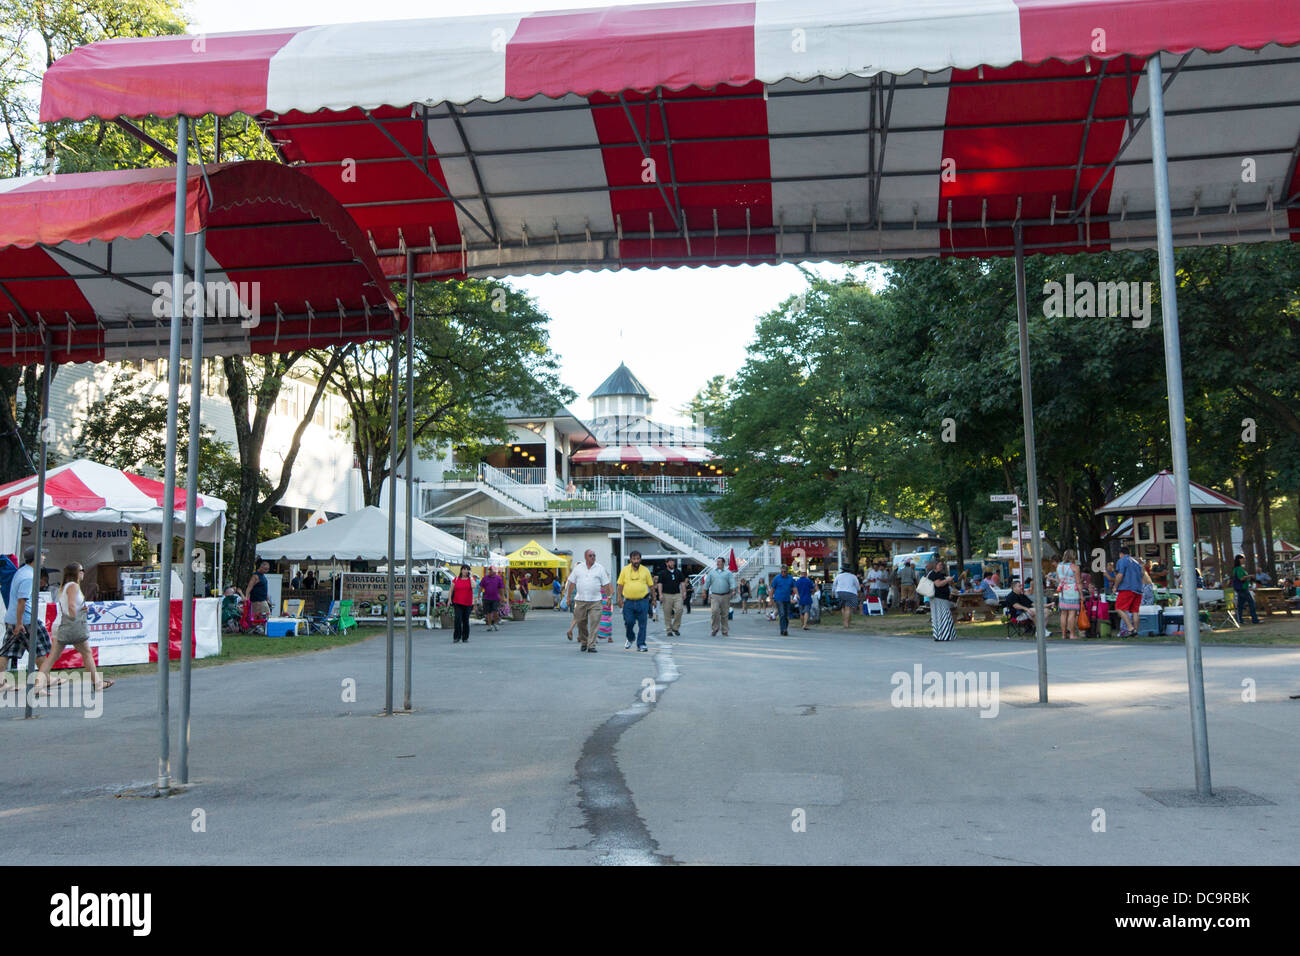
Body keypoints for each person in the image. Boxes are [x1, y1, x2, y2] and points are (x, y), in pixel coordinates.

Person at [33, 562, 112, 692]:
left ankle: (38, 685)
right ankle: (97, 683)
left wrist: (80, 609)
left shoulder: (65, 586)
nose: (83, 573)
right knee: (86, 653)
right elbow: (71, 605)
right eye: (82, 570)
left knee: (55, 657)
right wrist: (75, 616)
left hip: (62, 625)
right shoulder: (73, 586)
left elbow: (70, 604)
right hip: (69, 625)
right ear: (76, 572)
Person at [1, 547, 52, 686]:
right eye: (42, 554)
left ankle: (1, 683)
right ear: (36, 557)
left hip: (13, 618)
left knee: (6, 652)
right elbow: (22, 601)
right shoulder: (29, 576)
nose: (44, 557)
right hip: (25, 620)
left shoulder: (22, 571)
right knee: (39, 650)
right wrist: (19, 623)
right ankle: (44, 680)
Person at [564, 550, 611, 652]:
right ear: (585, 557)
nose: (593, 557)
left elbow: (606, 584)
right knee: (581, 622)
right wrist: (568, 597)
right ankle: (584, 641)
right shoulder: (578, 568)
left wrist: (609, 597)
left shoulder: (600, 568)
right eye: (590, 555)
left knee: (595, 622)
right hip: (580, 600)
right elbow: (572, 583)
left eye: (594, 555)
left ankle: (591, 645)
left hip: (596, 601)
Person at [617, 550, 654, 652]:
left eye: (638, 559)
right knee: (629, 622)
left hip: (643, 601)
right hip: (628, 602)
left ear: (640, 559)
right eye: (634, 559)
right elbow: (620, 585)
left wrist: (654, 599)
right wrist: (619, 598)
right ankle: (630, 637)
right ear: (630, 560)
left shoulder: (645, 570)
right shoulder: (625, 570)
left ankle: (641, 644)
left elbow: (651, 586)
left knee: (642, 624)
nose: (636, 561)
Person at [702, 556, 736, 637]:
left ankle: (724, 630)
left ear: (723, 563)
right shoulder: (712, 573)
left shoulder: (728, 573)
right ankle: (715, 628)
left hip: (725, 595)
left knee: (725, 614)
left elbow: (732, 582)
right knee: (714, 611)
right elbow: (707, 583)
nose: (718, 563)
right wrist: (704, 592)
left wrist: (733, 589)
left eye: (719, 561)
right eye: (717, 561)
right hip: (715, 595)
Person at [1114, 547, 1143, 638]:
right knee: (1135, 611)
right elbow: (1141, 574)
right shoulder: (1136, 562)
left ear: (1121, 554)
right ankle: (1136, 632)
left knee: (1119, 608)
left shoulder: (1122, 560)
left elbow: (1120, 575)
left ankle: (1130, 628)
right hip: (1138, 589)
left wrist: (1115, 586)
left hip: (1127, 588)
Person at [1054, 549, 1083, 640]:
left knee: (1063, 613)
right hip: (1072, 590)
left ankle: (1063, 634)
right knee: (1072, 613)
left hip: (1062, 590)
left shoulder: (1058, 566)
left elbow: (1058, 580)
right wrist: (1081, 594)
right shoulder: (1075, 567)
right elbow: (1078, 582)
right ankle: (1072, 634)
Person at [656, 557, 686, 637]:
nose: (672, 563)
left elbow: (682, 583)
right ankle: (668, 629)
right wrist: (660, 594)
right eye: (670, 562)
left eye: (673, 562)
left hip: (677, 594)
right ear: (667, 563)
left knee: (679, 610)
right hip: (666, 595)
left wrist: (684, 592)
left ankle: (675, 627)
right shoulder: (662, 573)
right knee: (667, 613)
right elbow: (659, 584)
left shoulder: (678, 572)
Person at [928, 559, 955, 642]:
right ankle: (942, 635)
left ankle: (943, 635)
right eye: (939, 565)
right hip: (939, 598)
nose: (941, 566)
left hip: (941, 598)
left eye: (942, 565)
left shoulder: (938, 574)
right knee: (942, 616)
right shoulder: (934, 574)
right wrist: (947, 580)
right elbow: (938, 584)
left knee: (943, 616)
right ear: (935, 565)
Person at [1231, 553, 1259, 624]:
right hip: (1242, 588)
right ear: (1239, 559)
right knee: (1251, 603)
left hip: (1240, 588)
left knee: (1240, 605)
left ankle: (1239, 619)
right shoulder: (1239, 568)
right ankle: (1254, 619)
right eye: (1243, 559)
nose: (1244, 560)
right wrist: (1250, 576)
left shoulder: (1236, 568)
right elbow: (1241, 578)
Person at [450, 564, 474, 643]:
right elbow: (451, 590)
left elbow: (474, 586)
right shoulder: (456, 579)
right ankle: (457, 637)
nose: (465, 571)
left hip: (467, 603)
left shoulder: (471, 579)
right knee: (458, 619)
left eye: (467, 569)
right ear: (461, 570)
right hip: (457, 602)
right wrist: (449, 599)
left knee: (465, 620)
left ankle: (465, 637)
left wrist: (471, 577)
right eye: (464, 569)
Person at [770, 565, 795, 635]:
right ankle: (783, 629)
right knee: (782, 614)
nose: (783, 573)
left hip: (787, 599)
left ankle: (785, 628)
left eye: (784, 571)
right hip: (779, 599)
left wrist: (797, 594)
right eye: (782, 571)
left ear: (787, 571)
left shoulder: (790, 578)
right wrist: (771, 599)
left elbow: (794, 587)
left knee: (786, 615)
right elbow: (772, 589)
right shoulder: (776, 578)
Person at [479, 566, 506, 631]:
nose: (490, 571)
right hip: (486, 598)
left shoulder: (498, 578)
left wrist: (502, 597)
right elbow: (481, 587)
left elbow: (501, 588)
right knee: (488, 612)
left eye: (491, 570)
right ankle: (489, 625)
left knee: (495, 611)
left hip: (495, 598)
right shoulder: (485, 578)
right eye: (489, 570)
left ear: (494, 571)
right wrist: (479, 595)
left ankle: (495, 623)